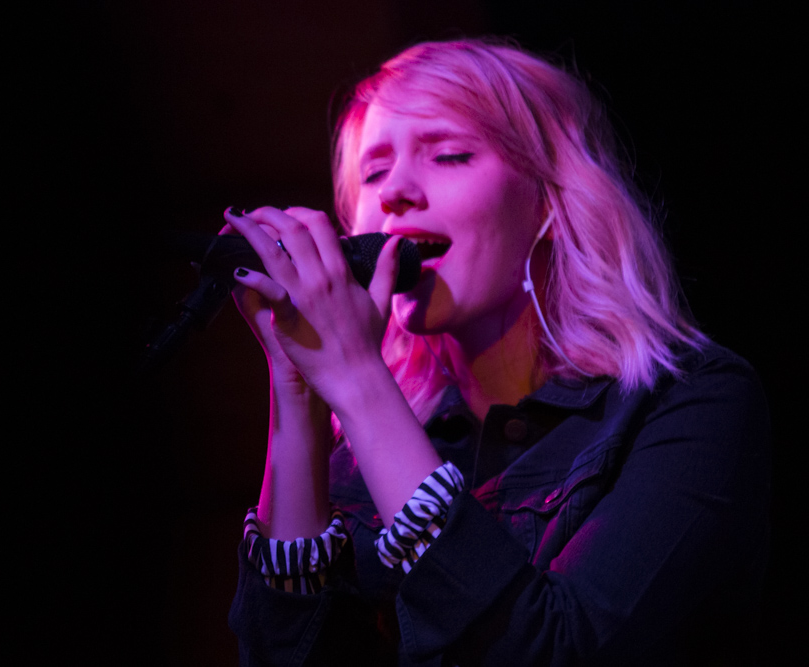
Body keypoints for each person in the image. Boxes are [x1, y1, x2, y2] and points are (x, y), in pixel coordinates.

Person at [219, 38, 770, 666]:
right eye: (373, 173)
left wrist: (360, 383)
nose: (394, 191)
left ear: (547, 201)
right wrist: (299, 392)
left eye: (449, 155)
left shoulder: (690, 405)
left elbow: (559, 650)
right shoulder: (362, 454)